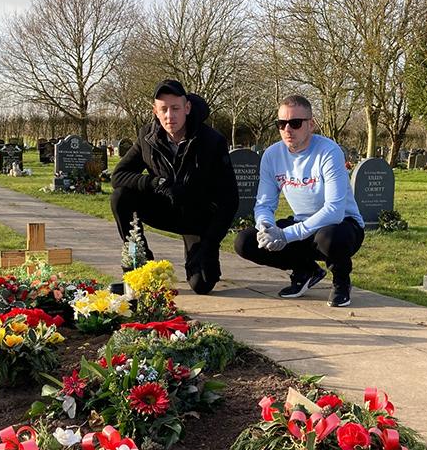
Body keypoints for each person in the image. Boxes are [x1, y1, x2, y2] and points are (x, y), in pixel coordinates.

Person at [234, 95, 364, 307]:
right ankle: (306, 270)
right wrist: (266, 227)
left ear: (310, 124)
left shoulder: (329, 152)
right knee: (245, 242)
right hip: (302, 223)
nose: (288, 129)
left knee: (329, 236)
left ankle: (341, 282)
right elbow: (264, 204)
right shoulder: (272, 155)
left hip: (343, 225)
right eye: (281, 124)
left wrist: (286, 235)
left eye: (295, 123)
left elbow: (334, 210)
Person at [110, 79, 238, 295]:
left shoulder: (212, 141)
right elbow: (118, 176)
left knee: (202, 284)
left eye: (176, 108)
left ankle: (199, 259)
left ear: (187, 108)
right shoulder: (147, 137)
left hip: (197, 217)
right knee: (120, 197)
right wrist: (153, 182)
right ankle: (138, 257)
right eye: (164, 109)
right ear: (155, 111)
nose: (170, 116)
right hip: (163, 208)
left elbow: (230, 199)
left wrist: (209, 245)